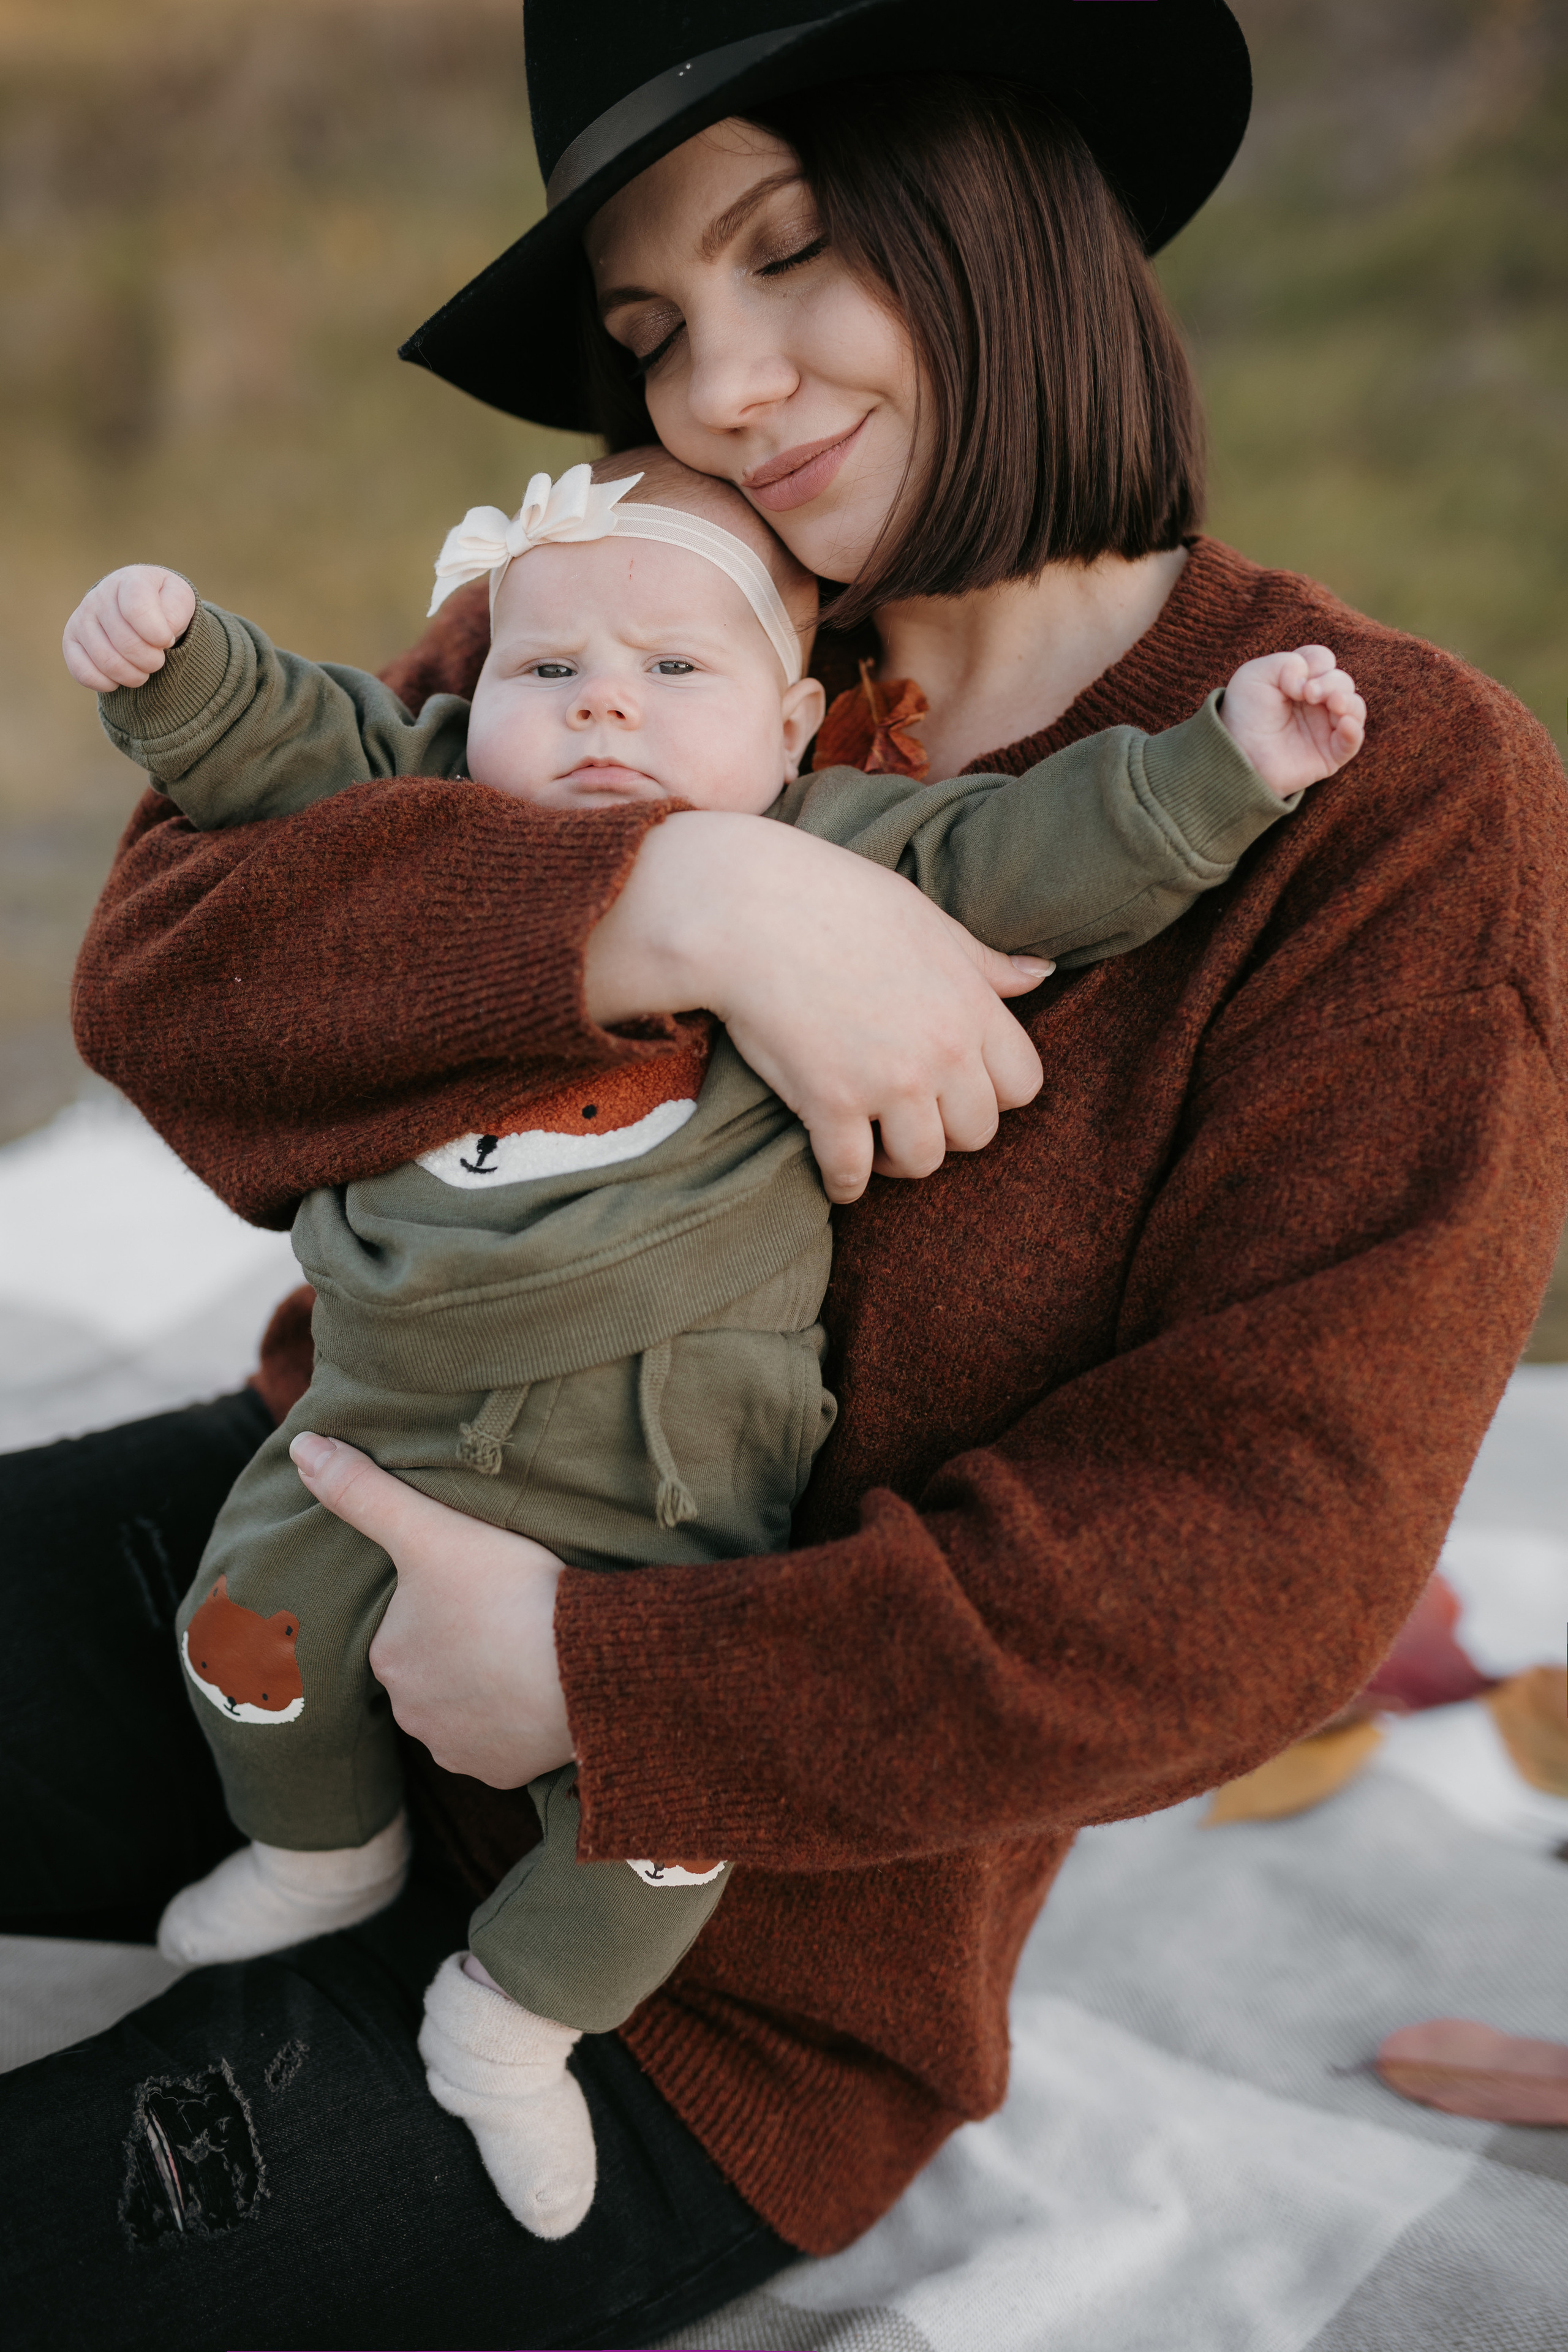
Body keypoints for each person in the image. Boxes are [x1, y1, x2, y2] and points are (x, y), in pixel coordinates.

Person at [4, 6, 1564, 2346]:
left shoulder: (1396, 803)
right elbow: (174, 980)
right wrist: (670, 908)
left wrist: (614, 1679)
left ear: (1011, 196)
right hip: (311, 1537)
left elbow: (1263, 1558)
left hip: (719, 1958)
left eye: (794, 250)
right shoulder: (637, 586)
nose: (723, 387)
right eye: (651, 331)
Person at [59, 441, 1359, 2242]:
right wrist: (185, 665)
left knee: (664, 1817)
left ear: (796, 724)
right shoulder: (450, 794)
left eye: (676, 677)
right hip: (373, 1429)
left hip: (653, 1495)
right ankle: (318, 1849)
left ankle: (515, 2021)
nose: (604, 703)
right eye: (549, 672)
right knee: (241, 1636)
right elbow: (290, 759)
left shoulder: (852, 842)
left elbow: (1038, 854)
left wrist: (1228, 767)